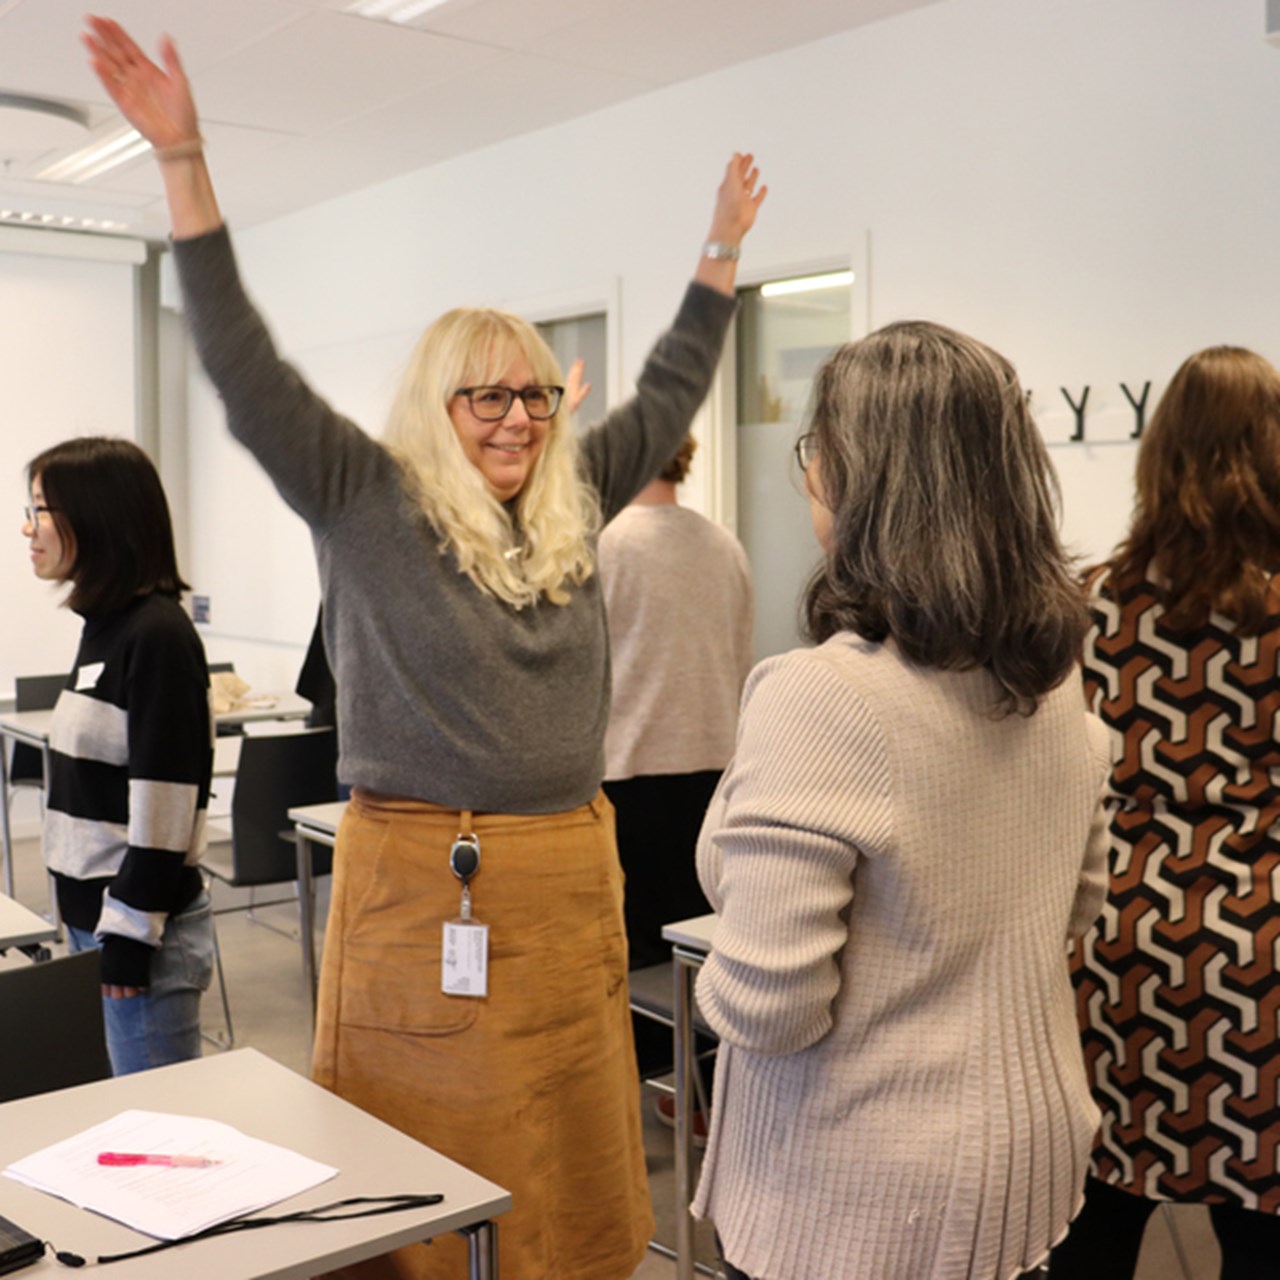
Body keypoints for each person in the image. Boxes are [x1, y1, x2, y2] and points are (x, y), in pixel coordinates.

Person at [82, 17, 765, 1279]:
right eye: (485, 394)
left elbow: (671, 380)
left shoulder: (575, 495)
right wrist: (182, 163)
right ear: (437, 403)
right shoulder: (364, 495)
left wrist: (719, 251)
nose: (515, 417)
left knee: (565, 1156)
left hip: (567, 882)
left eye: (534, 395)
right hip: (419, 888)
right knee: (420, 1166)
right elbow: (243, 361)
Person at [690, 321, 1113, 1280]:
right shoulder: (1050, 679)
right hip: (1027, 1165)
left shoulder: (824, 696)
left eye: (818, 452)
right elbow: (1075, 907)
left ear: (854, 478)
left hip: (862, 1198)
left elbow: (770, 1008)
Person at [1047, 346, 1280, 1280]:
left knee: (1092, 1223)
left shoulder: (1092, 605)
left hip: (1117, 948)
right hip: (1262, 959)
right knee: (1262, 1235)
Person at [21, 436, 213, 1076]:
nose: (29, 526)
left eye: (42, 509)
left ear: (95, 518)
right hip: (99, 925)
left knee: (159, 1136)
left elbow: (165, 808)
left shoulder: (155, 635)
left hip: (140, 938)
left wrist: (129, 939)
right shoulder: (104, 625)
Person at [598, 434, 753, 1091]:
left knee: (633, 953)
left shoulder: (602, 546)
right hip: (718, 775)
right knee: (698, 946)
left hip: (626, 772)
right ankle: (699, 1089)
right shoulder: (725, 544)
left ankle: (648, 1082)